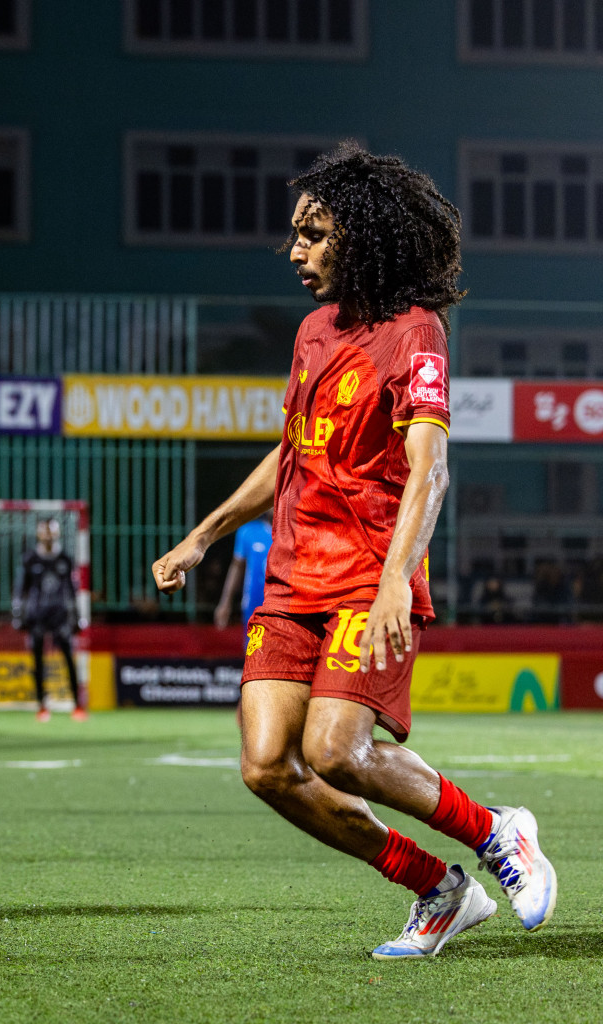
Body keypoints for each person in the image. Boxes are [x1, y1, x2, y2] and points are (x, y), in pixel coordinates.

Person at [152, 143, 554, 960]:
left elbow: (430, 468)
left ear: (365, 237)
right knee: (267, 766)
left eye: (315, 234)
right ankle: (438, 891)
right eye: (296, 235)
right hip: (293, 578)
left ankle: (498, 832)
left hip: (369, 579)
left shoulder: (415, 334)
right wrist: (203, 536)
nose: (295, 251)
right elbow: (295, 453)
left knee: (336, 751)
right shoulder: (310, 332)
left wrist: (395, 586)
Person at [11, 518, 85, 721]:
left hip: (60, 617)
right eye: (44, 531)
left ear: (58, 533)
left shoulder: (65, 559)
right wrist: (18, 615)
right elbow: (20, 590)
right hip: (37, 617)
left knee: (69, 658)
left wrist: (76, 617)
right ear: (38, 534)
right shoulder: (30, 559)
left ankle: (77, 705)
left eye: (52, 531)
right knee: (38, 661)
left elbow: (72, 591)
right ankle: (42, 705)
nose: (48, 535)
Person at [214, 515, 271, 630]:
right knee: (254, 646)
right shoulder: (248, 531)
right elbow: (237, 567)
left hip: (284, 605)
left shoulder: (296, 531)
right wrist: (225, 602)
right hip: (254, 604)